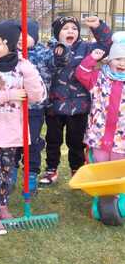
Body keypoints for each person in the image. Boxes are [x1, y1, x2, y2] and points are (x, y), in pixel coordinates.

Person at [0, 20, 46, 235]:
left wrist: (29, 71)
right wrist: (8, 95)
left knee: (6, 173)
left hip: (13, 133)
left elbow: (37, 96)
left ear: (10, 44)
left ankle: (2, 205)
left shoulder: (23, 68)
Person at [40, 16, 112, 185]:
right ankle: (51, 170)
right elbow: (48, 67)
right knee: (53, 140)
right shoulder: (50, 49)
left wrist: (98, 27)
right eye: (65, 29)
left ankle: (77, 171)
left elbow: (106, 46)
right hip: (54, 105)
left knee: (76, 141)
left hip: (79, 106)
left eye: (74, 28)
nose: (70, 31)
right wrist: (58, 55)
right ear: (57, 34)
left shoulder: (87, 48)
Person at [10, 20, 52, 194]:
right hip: (13, 107)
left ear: (34, 36)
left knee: (31, 141)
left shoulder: (43, 53)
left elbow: (59, 60)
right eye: (18, 36)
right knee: (11, 141)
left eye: (25, 36)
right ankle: (10, 171)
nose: (21, 39)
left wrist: (60, 51)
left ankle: (31, 174)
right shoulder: (9, 53)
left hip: (35, 108)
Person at [75, 32, 125, 163]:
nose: (122, 63)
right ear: (109, 60)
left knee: (118, 168)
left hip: (122, 137)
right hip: (99, 134)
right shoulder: (99, 77)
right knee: (97, 165)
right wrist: (92, 58)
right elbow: (81, 73)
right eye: (118, 59)